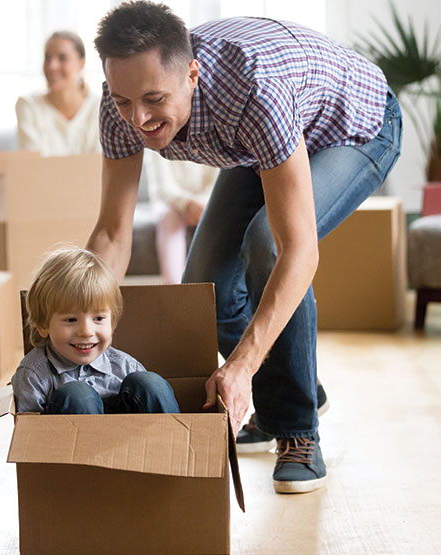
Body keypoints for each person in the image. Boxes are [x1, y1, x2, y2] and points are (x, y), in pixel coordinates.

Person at [86, 1, 402, 493]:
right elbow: (112, 232)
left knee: (266, 244)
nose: (139, 119)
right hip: (263, 147)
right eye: (125, 102)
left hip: (354, 126)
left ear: (192, 74)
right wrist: (81, 313)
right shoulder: (119, 103)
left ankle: (297, 430)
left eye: (153, 99)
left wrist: (241, 365)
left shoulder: (253, 90)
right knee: (204, 287)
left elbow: (297, 249)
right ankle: (293, 387)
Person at [11, 246, 180, 415]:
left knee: (149, 383)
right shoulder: (33, 375)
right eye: (71, 320)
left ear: (112, 324)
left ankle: (175, 439)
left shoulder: (125, 367)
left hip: (133, 438)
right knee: (78, 395)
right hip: (67, 440)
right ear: (43, 325)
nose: (86, 331)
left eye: (98, 319)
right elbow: (26, 431)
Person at [15, 31, 100, 156]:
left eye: (62, 58)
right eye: (47, 58)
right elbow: (32, 166)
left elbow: (101, 165)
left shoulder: (101, 107)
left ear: (81, 62)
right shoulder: (28, 105)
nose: (52, 66)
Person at [143, 149, 217, 283]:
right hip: (171, 203)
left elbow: (218, 183)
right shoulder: (155, 141)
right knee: (168, 216)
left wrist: (201, 205)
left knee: (220, 214)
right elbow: (163, 189)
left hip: (206, 202)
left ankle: (217, 288)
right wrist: (187, 205)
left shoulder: (214, 138)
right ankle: (175, 289)